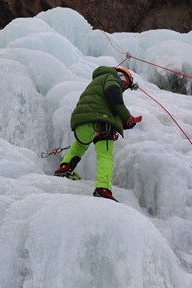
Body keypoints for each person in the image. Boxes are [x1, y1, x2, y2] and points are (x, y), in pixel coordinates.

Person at [54, 66, 141, 201]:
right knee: (105, 155)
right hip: (100, 123)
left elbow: (102, 105)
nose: (124, 85)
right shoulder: (112, 78)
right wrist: (127, 117)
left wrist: (124, 123)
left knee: (80, 145)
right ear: (121, 76)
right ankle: (103, 188)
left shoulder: (98, 81)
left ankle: (65, 167)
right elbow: (113, 93)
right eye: (125, 81)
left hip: (81, 122)